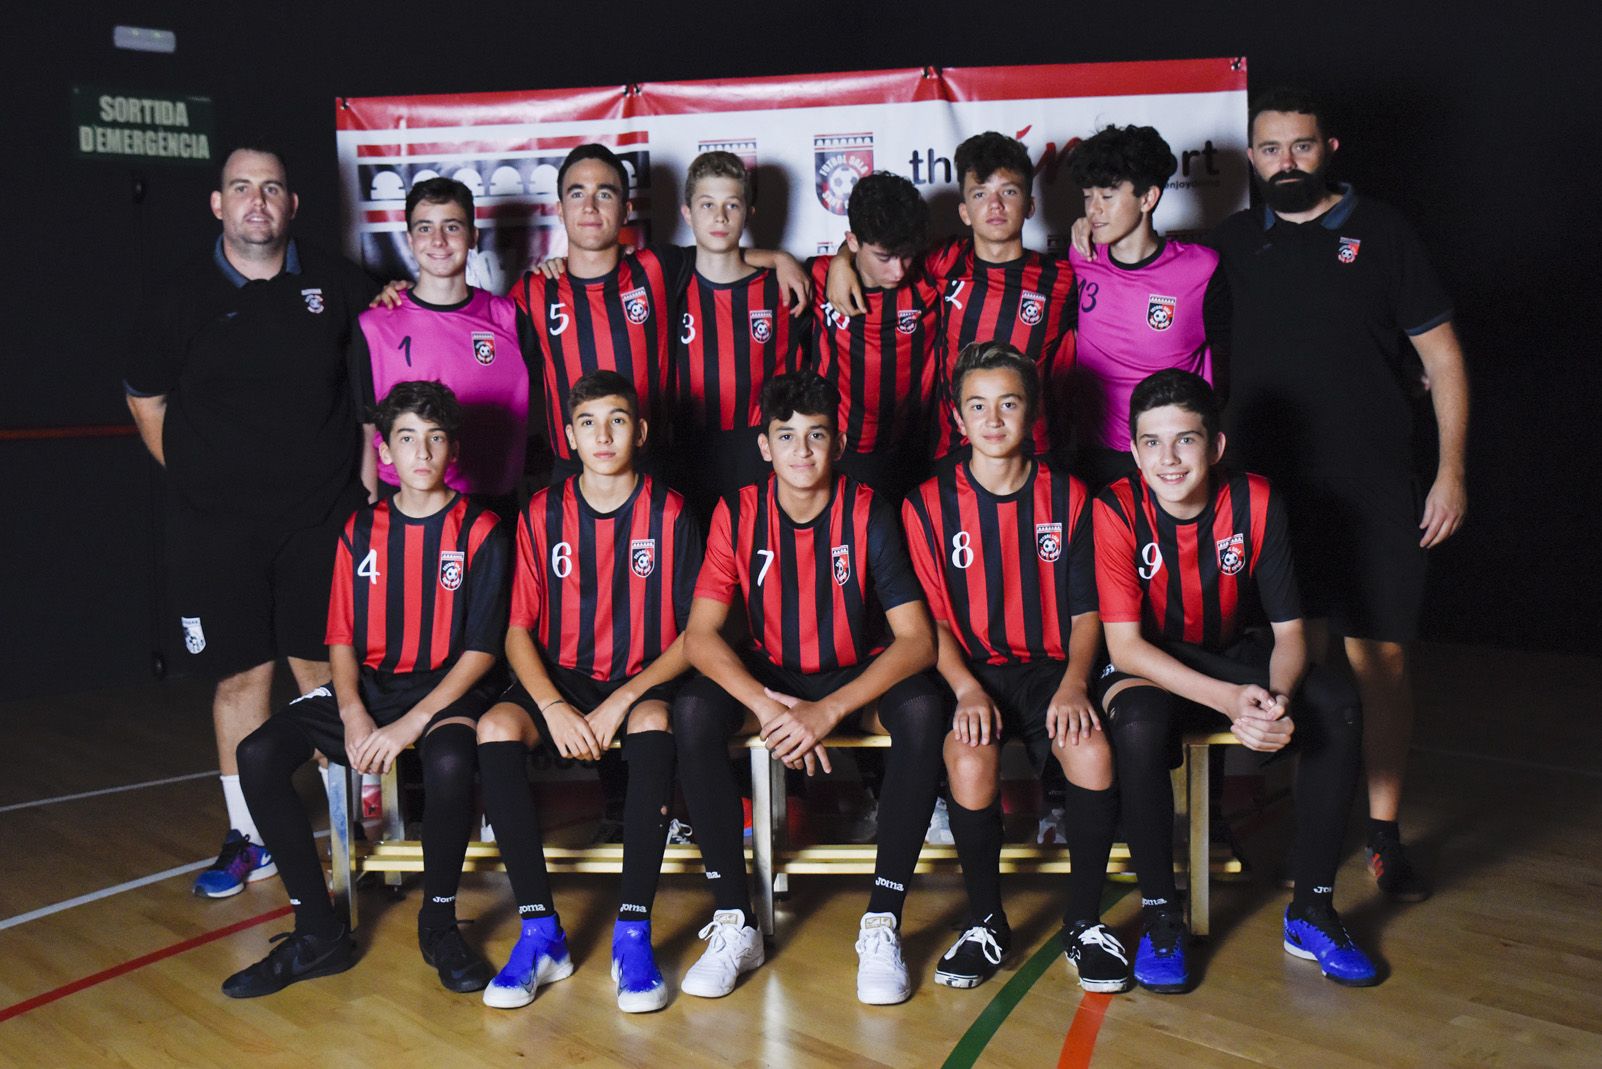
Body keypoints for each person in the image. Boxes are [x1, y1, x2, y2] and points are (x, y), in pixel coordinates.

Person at [1213, 89, 1467, 899]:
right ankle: (1312, 826)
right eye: (1270, 149)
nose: (1286, 162)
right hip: (1272, 498)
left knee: (1380, 662)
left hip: (1374, 491)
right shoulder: (1230, 244)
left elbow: (1444, 361)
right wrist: (1089, 229)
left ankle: (1384, 834)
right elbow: (1140, 273)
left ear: (1329, 149)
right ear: (1252, 159)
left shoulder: (1383, 233)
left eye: (1301, 146)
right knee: (1304, 667)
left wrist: (1451, 471)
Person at [124, 145, 377, 899]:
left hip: (320, 519)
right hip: (217, 529)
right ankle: (250, 837)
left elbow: (372, 398)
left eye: (271, 188)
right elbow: (145, 398)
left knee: (322, 675)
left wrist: (364, 493)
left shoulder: (340, 284)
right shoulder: (176, 297)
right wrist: (193, 474)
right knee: (241, 678)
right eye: (241, 187)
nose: (256, 201)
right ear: (218, 204)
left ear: (292, 204)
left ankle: (349, 831)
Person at [222, 381, 509, 998]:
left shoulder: (481, 530)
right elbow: (341, 637)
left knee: (451, 760)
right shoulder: (360, 529)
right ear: (385, 452)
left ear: (453, 451)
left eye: (435, 438)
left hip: (447, 691)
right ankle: (318, 932)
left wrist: (409, 725)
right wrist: (353, 713)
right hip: (372, 687)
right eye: (407, 438)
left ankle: (438, 925)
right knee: (257, 754)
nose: (421, 452)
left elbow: (482, 651)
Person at [1093, 369, 1376, 991]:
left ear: (1216, 446)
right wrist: (1229, 702)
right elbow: (1125, 647)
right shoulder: (1114, 508)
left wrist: (1274, 703)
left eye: (1186, 440)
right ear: (1134, 450)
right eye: (1152, 442)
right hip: (1150, 663)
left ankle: (1312, 910)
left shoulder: (1257, 499)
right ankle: (1162, 918)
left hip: (1231, 654)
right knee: (1138, 727)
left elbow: (1290, 633)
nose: (1169, 459)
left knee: (1337, 705)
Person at [671, 370, 945, 1006]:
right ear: (764, 446)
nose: (801, 450)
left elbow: (917, 641)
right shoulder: (738, 511)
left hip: (848, 679)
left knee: (924, 710)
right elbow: (699, 637)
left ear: (838, 443)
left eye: (816, 435)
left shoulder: (868, 511)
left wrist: (828, 710)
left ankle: (883, 922)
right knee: (692, 711)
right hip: (772, 676)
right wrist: (766, 706)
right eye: (786, 436)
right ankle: (736, 922)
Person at [902, 341, 1128, 993]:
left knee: (1091, 752)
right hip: (971, 670)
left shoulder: (1073, 497)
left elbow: (1088, 613)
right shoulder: (926, 504)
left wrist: (1076, 684)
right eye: (978, 405)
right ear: (957, 417)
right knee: (970, 760)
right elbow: (931, 622)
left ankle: (1084, 923)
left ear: (1033, 412)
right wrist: (966, 689)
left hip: (1056, 668)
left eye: (1009, 403)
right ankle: (986, 921)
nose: (993, 419)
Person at [475, 370, 699, 1014]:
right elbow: (517, 630)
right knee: (495, 728)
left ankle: (633, 934)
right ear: (569, 437)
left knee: (654, 724)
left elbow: (695, 635)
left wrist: (621, 700)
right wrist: (552, 706)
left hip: (643, 675)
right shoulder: (542, 513)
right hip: (563, 676)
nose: (603, 435)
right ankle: (541, 933)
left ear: (641, 432)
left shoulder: (671, 512)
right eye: (588, 424)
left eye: (617, 421)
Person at [508, 143, 810, 485]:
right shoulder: (533, 290)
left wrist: (781, 259)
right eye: (578, 194)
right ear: (560, 210)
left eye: (604, 194)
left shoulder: (656, 268)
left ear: (626, 210)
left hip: (652, 470)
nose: (590, 206)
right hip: (572, 475)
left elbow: (717, 252)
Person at [827, 131, 1077, 466]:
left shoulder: (1063, 277)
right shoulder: (943, 261)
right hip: (955, 450)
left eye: (1009, 191)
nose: (995, 205)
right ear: (964, 211)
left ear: (1030, 205)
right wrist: (841, 260)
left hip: (1033, 453)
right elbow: (880, 242)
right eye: (980, 193)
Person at [1064, 125, 1228, 489]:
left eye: (1108, 196)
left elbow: (1224, 372)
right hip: (1099, 457)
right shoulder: (1081, 255)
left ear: (1148, 198)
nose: (1094, 210)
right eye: (1088, 197)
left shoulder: (1201, 269)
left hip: (1172, 461)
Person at [352, 177, 525, 517]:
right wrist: (371, 520)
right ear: (410, 240)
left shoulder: (511, 318)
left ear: (473, 236)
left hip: (491, 505)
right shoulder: (374, 325)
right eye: (425, 228)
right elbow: (368, 431)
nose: (438, 240)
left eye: (452, 227)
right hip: (405, 504)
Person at [672, 151, 806, 519]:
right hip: (685, 455)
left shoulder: (783, 288)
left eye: (732, 205)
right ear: (687, 213)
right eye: (707, 204)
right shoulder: (666, 281)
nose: (720, 216)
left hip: (759, 455)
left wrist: (830, 259)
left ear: (749, 213)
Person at [809, 171, 939, 500]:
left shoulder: (930, 277)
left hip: (915, 453)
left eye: (906, 255)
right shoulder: (817, 276)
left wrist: (842, 258)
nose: (898, 270)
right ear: (853, 241)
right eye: (884, 257)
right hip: (842, 453)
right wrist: (838, 261)